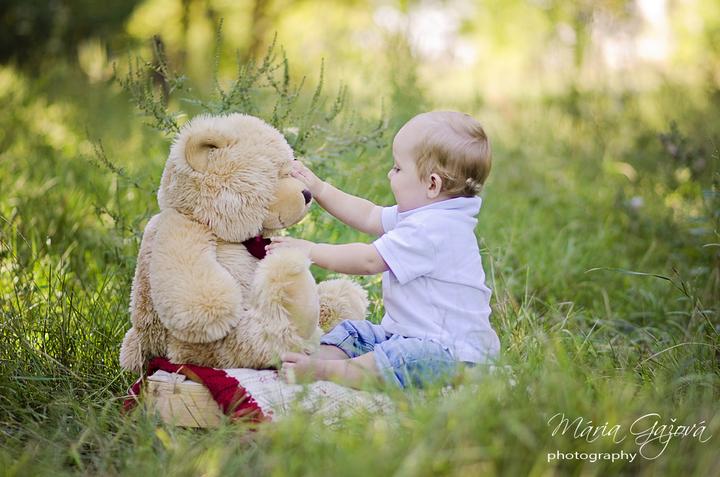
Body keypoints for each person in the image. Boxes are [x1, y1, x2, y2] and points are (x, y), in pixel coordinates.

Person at [266, 111, 500, 389]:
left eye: (398, 168)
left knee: (402, 357)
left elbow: (368, 261)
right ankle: (313, 359)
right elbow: (368, 215)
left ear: (432, 184)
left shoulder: (434, 228)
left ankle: (329, 371)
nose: (390, 174)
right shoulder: (427, 212)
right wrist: (320, 189)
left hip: (451, 357)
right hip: (408, 336)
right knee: (355, 332)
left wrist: (311, 250)